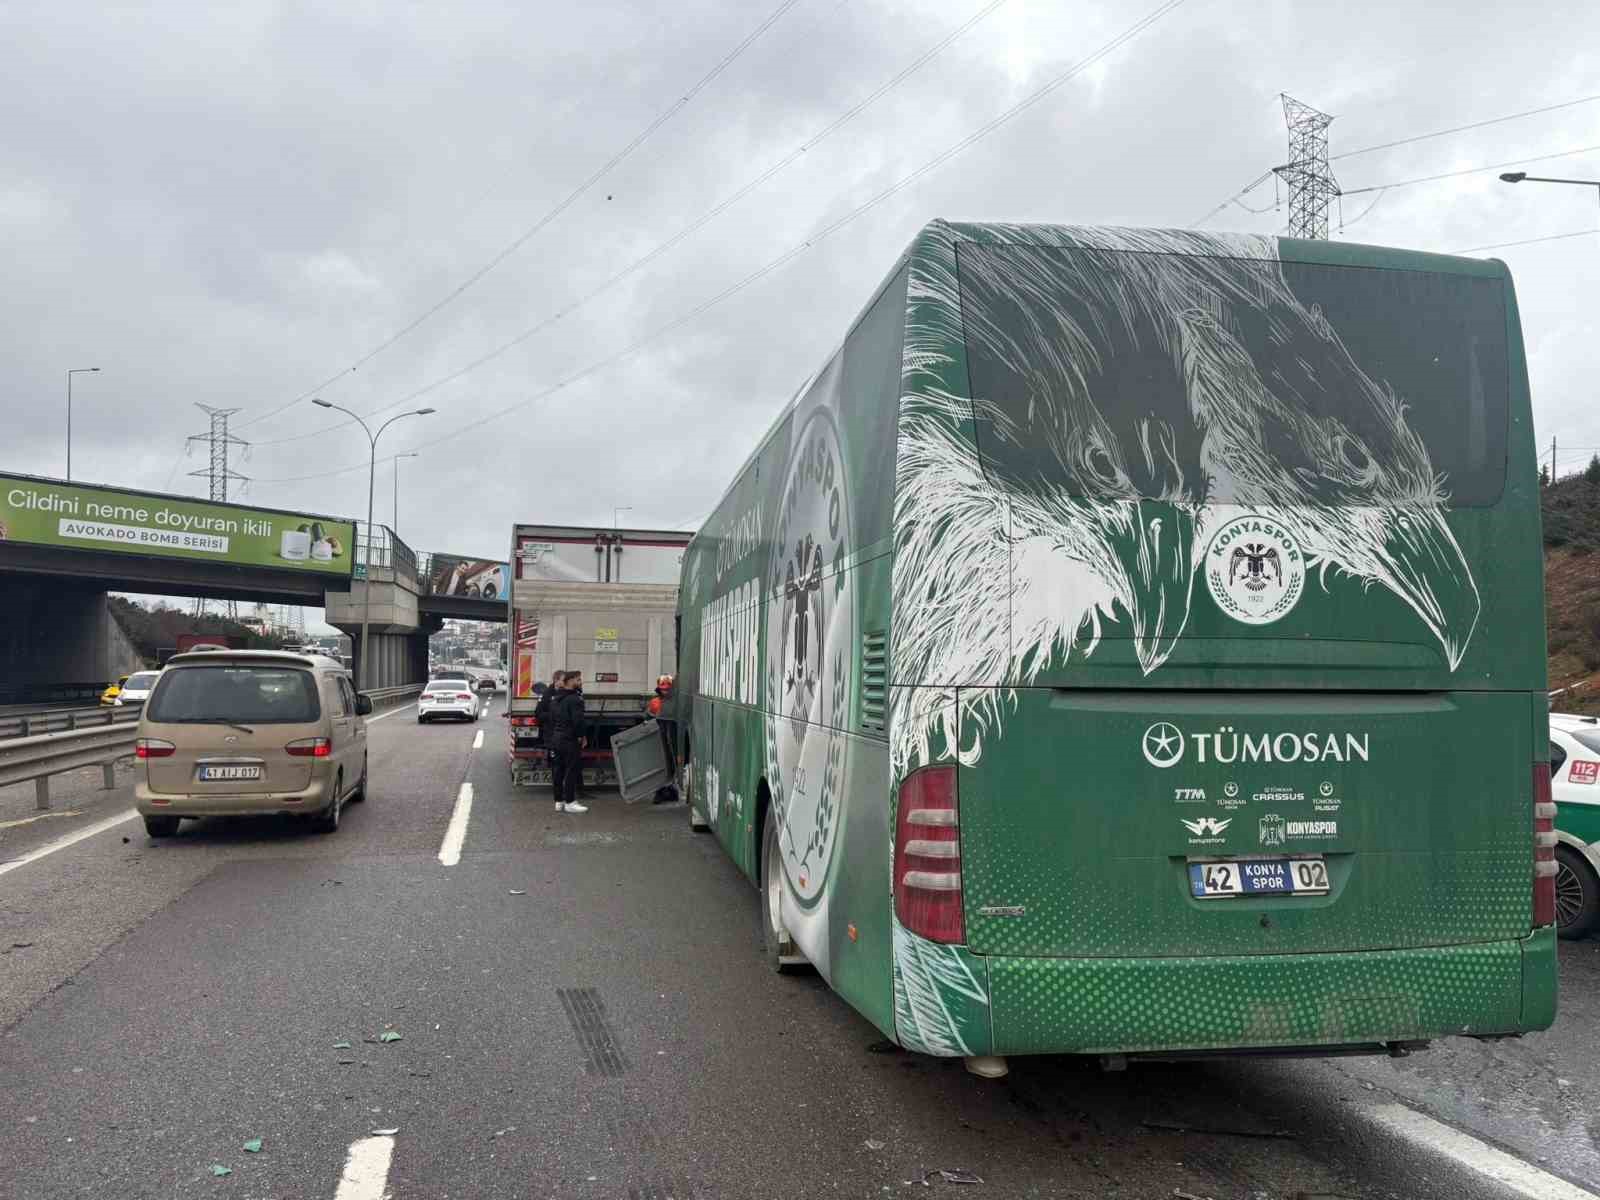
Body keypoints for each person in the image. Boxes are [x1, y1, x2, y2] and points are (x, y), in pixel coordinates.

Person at [549, 670, 589, 814]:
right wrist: (582, 736)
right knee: (572, 770)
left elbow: (552, 720)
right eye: (578, 680)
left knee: (558, 770)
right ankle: (570, 802)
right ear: (570, 681)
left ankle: (558, 801)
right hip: (569, 740)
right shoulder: (575, 699)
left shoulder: (555, 699)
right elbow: (578, 721)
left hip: (556, 739)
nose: (580, 682)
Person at [648, 675, 679, 804]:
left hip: (672, 741)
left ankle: (671, 791)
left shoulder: (675, 702)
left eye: (667, 689)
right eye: (663, 689)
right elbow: (648, 719)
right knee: (662, 766)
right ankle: (660, 792)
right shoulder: (655, 702)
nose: (665, 691)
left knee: (672, 766)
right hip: (659, 741)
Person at [534, 671, 564, 791]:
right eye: (563, 679)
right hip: (551, 733)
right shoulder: (547, 694)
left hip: (564, 733)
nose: (564, 682)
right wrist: (552, 716)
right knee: (556, 762)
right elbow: (538, 714)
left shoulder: (566, 693)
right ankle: (557, 787)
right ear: (556, 680)